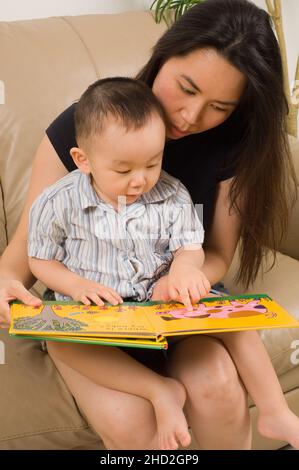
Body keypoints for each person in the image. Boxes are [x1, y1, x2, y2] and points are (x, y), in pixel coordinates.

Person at [0, 0, 298, 449]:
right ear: (164, 55)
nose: (190, 116)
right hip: (95, 312)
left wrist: (182, 276)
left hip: (167, 302)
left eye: (219, 105)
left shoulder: (227, 149)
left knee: (218, 387)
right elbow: (27, 253)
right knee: (134, 424)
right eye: (186, 88)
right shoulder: (83, 129)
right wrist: (7, 283)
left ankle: (276, 417)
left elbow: (213, 252)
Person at [28, 77, 211, 450]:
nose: (140, 180)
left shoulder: (172, 194)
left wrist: (184, 269)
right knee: (58, 339)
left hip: (151, 307)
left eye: (152, 163)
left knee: (228, 328)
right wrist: (77, 286)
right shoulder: (58, 201)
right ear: (83, 160)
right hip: (91, 311)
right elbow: (39, 260)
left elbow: (190, 247)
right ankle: (160, 390)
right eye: (123, 170)